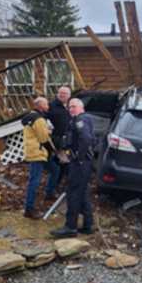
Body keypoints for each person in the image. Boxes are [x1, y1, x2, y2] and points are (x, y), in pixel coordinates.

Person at [50, 98, 95, 238]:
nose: (71, 109)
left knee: (73, 194)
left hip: (80, 164)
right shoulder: (82, 119)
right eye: (69, 107)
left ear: (81, 108)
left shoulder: (80, 120)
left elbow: (86, 138)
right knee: (82, 192)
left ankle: (70, 227)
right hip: (83, 163)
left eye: (74, 106)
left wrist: (79, 157)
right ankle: (88, 224)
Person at [22, 97, 60, 219]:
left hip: (39, 151)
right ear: (40, 106)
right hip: (37, 152)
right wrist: (53, 151)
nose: (48, 106)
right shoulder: (38, 119)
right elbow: (44, 138)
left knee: (55, 170)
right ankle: (29, 209)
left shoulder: (32, 116)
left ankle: (49, 193)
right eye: (46, 105)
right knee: (35, 180)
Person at [47, 86, 72, 188]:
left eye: (65, 93)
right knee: (63, 163)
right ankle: (54, 186)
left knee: (63, 163)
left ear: (69, 96)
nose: (62, 95)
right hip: (56, 139)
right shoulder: (52, 105)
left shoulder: (69, 106)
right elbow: (43, 117)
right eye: (60, 93)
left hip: (67, 140)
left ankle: (57, 185)